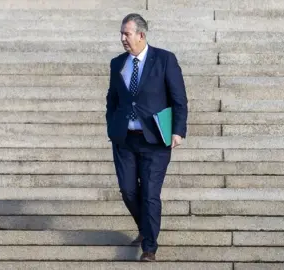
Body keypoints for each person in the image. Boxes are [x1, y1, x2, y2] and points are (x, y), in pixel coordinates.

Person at [105, 13, 188, 262]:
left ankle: (149, 247)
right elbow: (113, 99)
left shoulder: (164, 60)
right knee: (128, 191)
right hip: (125, 139)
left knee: (150, 193)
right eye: (121, 33)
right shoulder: (117, 63)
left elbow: (179, 99)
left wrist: (178, 130)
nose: (122, 39)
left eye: (126, 34)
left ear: (141, 35)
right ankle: (145, 228)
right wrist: (112, 125)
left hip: (155, 139)